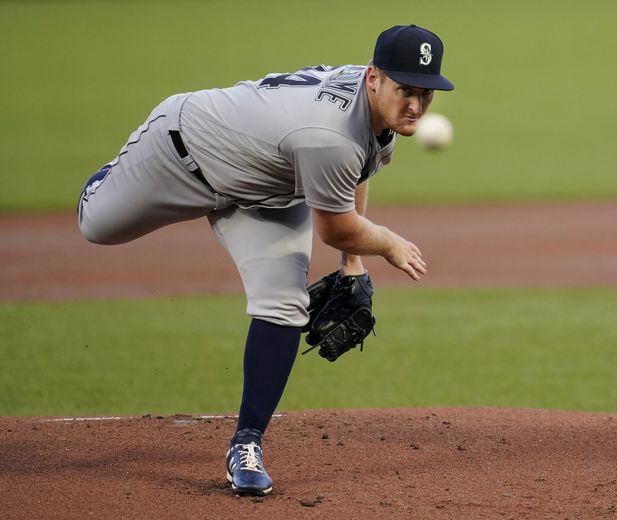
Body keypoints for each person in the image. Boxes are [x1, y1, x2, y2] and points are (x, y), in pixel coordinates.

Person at [77, 24, 454, 496]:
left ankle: (247, 443)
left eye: (426, 93)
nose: (416, 105)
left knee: (284, 304)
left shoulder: (377, 113)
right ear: (374, 78)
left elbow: (360, 167)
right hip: (182, 152)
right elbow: (335, 224)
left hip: (267, 195)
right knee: (96, 226)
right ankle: (105, 182)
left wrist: (351, 265)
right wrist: (388, 245)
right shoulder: (328, 133)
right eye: (406, 91)